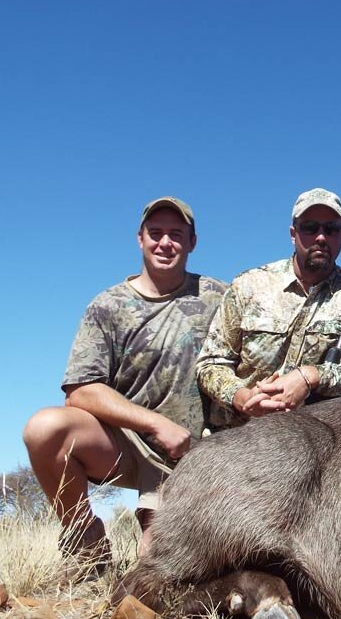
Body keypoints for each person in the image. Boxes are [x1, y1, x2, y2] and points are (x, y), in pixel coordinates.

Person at [23, 197, 228, 578]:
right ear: (140, 239)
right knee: (45, 428)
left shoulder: (220, 296)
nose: (165, 243)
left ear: (192, 242)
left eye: (176, 235)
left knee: (158, 569)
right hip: (126, 444)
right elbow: (80, 391)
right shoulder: (107, 305)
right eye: (156, 233)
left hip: (194, 453)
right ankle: (85, 539)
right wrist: (153, 424)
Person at [197, 188, 341, 428]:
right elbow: (211, 363)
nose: (321, 237)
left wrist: (311, 376)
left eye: (330, 229)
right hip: (235, 438)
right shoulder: (249, 285)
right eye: (310, 228)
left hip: (311, 442)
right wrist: (241, 397)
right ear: (293, 233)